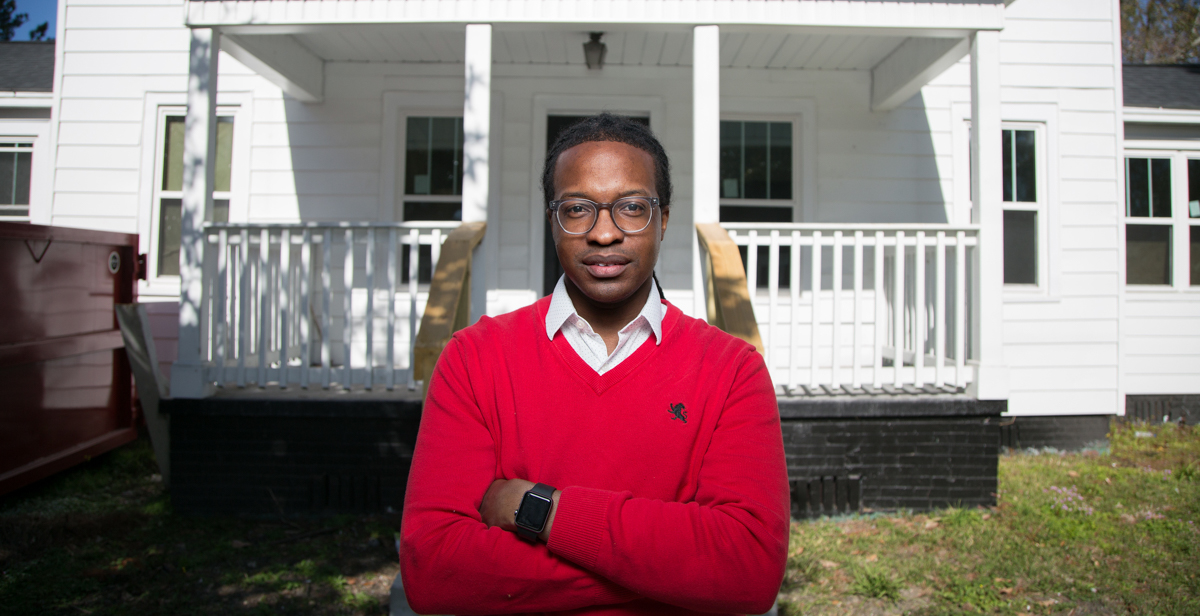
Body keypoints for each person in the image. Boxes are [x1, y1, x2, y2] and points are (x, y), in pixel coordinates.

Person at [399, 113, 790, 615]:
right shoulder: (474, 359)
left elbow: (748, 569)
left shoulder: (732, 370)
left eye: (632, 207)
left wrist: (541, 511)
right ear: (551, 219)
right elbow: (433, 570)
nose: (604, 234)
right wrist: (666, 567)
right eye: (578, 209)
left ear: (663, 219)